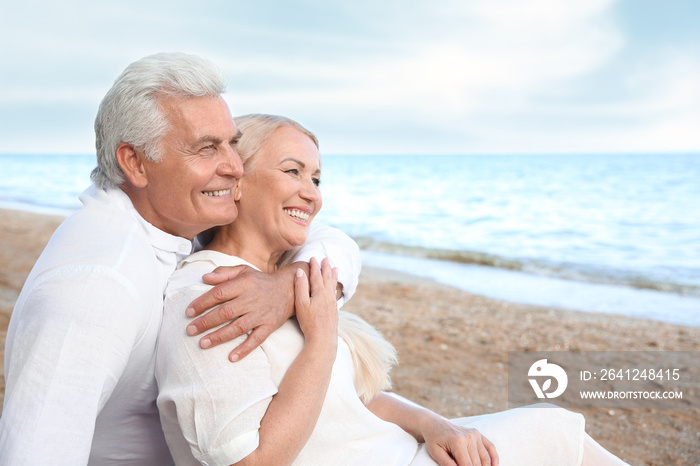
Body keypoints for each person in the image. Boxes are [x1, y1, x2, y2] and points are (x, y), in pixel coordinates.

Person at [156, 114, 629, 465]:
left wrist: (434, 424)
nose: (313, 193)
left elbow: (348, 399)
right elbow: (249, 461)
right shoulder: (207, 292)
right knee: (551, 430)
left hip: (396, 450)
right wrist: (321, 339)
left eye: (317, 179)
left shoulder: (295, 275)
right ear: (237, 180)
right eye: (293, 172)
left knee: (551, 428)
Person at [0, 54, 360, 465]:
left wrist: (289, 284)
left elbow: (335, 240)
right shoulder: (95, 286)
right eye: (207, 149)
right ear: (135, 162)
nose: (234, 167)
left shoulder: (175, 223)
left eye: (232, 143)